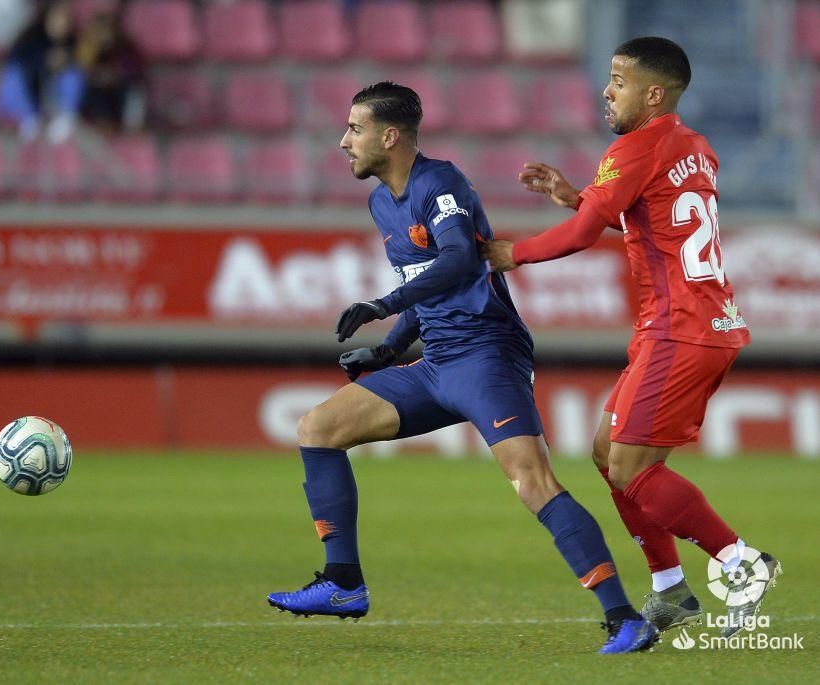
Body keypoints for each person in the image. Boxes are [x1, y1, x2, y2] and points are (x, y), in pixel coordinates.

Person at [267, 82, 659, 654]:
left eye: (355, 129)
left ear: (389, 135)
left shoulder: (439, 183)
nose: (344, 141)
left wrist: (382, 308)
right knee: (317, 430)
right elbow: (422, 289)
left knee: (532, 482)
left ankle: (624, 617)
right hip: (435, 361)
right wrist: (387, 348)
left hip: (486, 355)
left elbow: (456, 261)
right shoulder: (381, 202)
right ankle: (343, 583)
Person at [482, 37, 781, 638]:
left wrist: (507, 254)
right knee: (605, 454)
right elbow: (656, 220)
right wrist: (578, 197)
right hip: (698, 324)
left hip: (680, 330)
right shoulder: (694, 147)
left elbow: (579, 237)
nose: (606, 89)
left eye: (618, 80)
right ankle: (670, 587)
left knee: (631, 467)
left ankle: (743, 564)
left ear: (653, 92)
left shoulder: (634, 146)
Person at [0, 0, 84, 143]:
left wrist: (63, 62)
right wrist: (44, 61)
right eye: (56, 18)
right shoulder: (30, 36)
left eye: (64, 19)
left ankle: (65, 118)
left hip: (52, 95)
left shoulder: (72, 41)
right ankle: (27, 118)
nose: (61, 24)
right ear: (46, 18)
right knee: (13, 74)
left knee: (73, 75)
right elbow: (17, 61)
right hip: (28, 91)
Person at [76, 12, 145, 134]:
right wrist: (95, 75)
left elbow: (135, 70)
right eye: (98, 31)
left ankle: (129, 126)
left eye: (106, 30)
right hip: (96, 97)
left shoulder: (126, 48)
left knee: (134, 90)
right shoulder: (87, 49)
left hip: (120, 93)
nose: (103, 35)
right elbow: (82, 71)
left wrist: (115, 75)